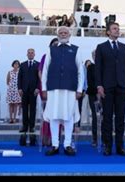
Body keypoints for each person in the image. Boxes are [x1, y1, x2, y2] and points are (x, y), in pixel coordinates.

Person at [42, 27, 84, 156]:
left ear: (69, 34)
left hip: (70, 89)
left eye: (65, 32)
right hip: (53, 88)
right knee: (54, 116)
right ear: (58, 35)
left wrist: (79, 89)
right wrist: (44, 88)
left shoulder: (76, 49)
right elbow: (45, 70)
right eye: (61, 33)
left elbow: (80, 71)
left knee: (68, 116)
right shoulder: (51, 50)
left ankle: (67, 145)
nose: (63, 34)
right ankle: (55, 145)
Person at [95, 22, 125, 156]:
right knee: (107, 118)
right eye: (114, 29)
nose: (117, 30)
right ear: (108, 32)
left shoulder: (124, 47)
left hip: (122, 86)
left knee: (120, 118)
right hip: (107, 87)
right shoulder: (101, 47)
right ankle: (107, 146)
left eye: (118, 28)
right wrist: (99, 85)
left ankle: (120, 146)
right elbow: (98, 68)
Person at [17, 48, 40, 133]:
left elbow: (39, 78)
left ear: (34, 54)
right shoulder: (22, 64)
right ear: (27, 54)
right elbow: (19, 77)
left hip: (34, 91)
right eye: (29, 53)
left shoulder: (38, 64)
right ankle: (25, 126)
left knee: (33, 109)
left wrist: (38, 88)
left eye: (32, 53)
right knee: (25, 109)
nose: (30, 54)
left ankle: (32, 127)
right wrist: (19, 88)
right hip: (24, 91)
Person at [85, 54, 98, 147]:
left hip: (105, 94)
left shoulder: (106, 65)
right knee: (95, 116)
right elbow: (90, 81)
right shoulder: (90, 67)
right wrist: (97, 91)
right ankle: (95, 138)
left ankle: (105, 138)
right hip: (93, 94)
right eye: (95, 55)